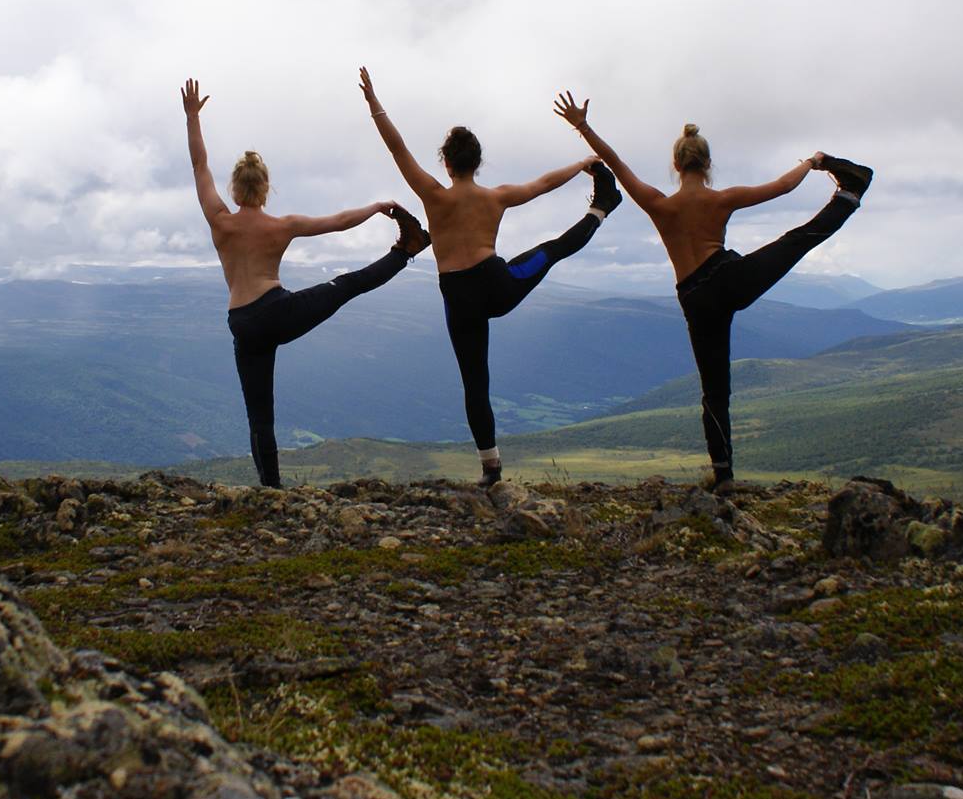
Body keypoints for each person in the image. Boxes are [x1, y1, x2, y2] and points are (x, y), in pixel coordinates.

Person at [554, 91, 870, 488]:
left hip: (695, 299)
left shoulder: (658, 204)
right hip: (730, 279)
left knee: (714, 390)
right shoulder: (722, 199)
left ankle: (722, 474)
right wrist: (812, 162)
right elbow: (783, 187)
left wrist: (583, 127)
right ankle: (849, 194)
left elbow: (615, 162)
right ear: (707, 164)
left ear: (675, 165)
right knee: (796, 241)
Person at [358, 68, 619, 486]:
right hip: (498, 287)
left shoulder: (433, 195)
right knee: (552, 250)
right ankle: (602, 207)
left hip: (458, 299)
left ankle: (491, 468)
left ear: (446, 163)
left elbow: (397, 148)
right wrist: (582, 163)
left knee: (475, 383)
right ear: (477, 163)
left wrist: (375, 104)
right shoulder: (495, 197)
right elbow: (543, 184)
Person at [184, 79, 431, 488]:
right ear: (266, 188)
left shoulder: (219, 220)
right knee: (347, 285)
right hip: (276, 312)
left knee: (259, 415)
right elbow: (338, 222)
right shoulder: (282, 225)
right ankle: (407, 250)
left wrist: (192, 117)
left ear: (234, 188)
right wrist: (375, 207)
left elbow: (199, 165)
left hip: (241, 323)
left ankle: (271, 489)